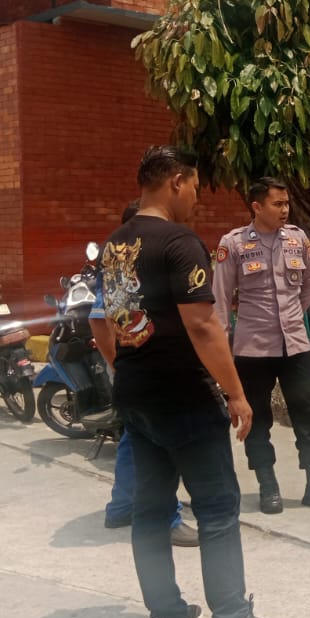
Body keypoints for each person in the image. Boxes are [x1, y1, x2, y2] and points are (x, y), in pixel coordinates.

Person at [91, 146, 288, 618]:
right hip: (182, 395)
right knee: (218, 507)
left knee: (151, 509)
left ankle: (165, 614)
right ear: (176, 181)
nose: (197, 197)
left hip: (135, 393)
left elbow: (112, 321)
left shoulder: (115, 244)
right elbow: (202, 324)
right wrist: (237, 393)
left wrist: (128, 369)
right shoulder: (180, 242)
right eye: (196, 186)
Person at [213, 178, 310, 515]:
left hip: (295, 346)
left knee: (308, 413)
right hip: (252, 349)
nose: (285, 209)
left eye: (286, 203)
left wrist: (289, 317)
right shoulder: (234, 244)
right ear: (256, 206)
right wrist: (221, 353)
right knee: (257, 420)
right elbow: (220, 300)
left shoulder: (298, 239)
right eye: (277, 204)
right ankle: (268, 486)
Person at [91, 199, 197, 547]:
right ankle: (168, 518)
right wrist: (117, 363)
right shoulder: (122, 265)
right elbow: (98, 320)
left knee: (134, 440)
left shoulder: (129, 262)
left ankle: (122, 507)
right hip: (148, 371)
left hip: (140, 370)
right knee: (164, 444)